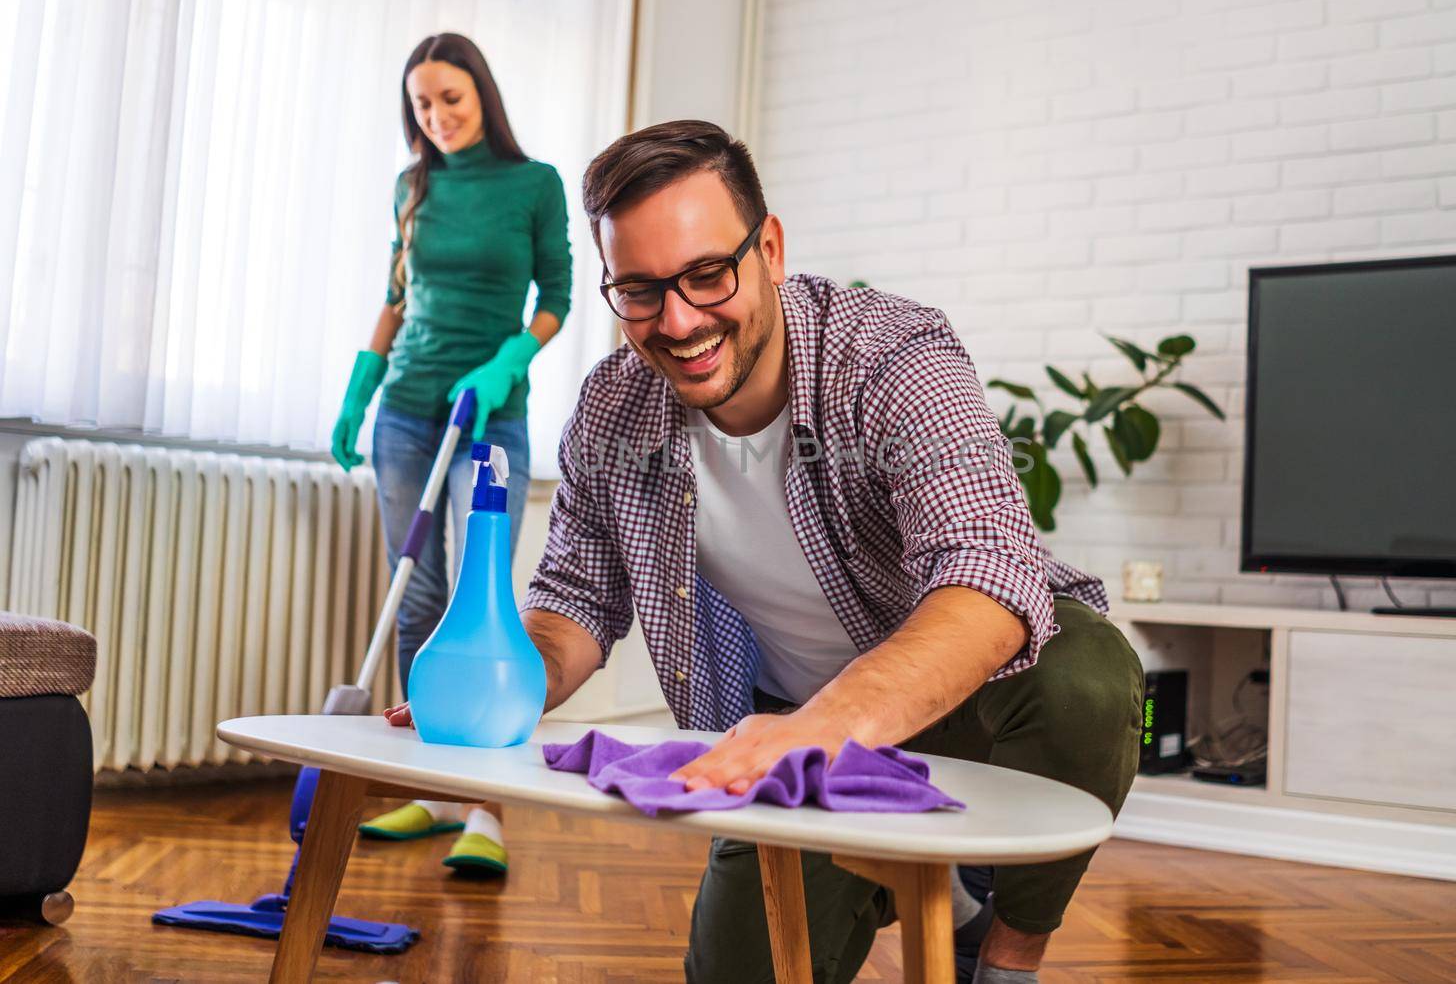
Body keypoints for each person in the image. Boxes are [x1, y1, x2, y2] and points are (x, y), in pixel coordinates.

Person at [386, 120, 1142, 982]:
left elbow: (990, 570)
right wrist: (500, 675)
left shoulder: (891, 355)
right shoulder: (611, 409)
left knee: (1088, 677)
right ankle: (941, 884)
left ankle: (1006, 952)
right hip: (791, 723)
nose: (678, 320)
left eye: (707, 274)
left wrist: (818, 731)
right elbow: (576, 603)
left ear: (770, 249)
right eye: (638, 290)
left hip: (945, 708)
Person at [332, 31, 572, 877]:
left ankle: (487, 806)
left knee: (483, 595)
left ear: (484, 97)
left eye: (451, 100)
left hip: (490, 409)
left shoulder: (534, 185)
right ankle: (430, 785)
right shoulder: (412, 185)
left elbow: (560, 293)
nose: (435, 118)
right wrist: (361, 387)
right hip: (408, 407)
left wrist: (512, 357)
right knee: (417, 588)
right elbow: (396, 296)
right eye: (421, 105)